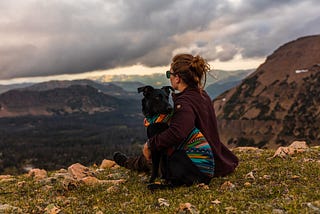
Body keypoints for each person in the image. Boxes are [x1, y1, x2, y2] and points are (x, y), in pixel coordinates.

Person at [114, 53, 238, 185]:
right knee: (155, 155)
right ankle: (131, 162)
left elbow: (178, 132)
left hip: (196, 160)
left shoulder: (185, 101)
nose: (169, 78)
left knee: (153, 157)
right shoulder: (201, 94)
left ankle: (128, 163)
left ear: (177, 78)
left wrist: (150, 144)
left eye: (169, 74)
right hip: (213, 154)